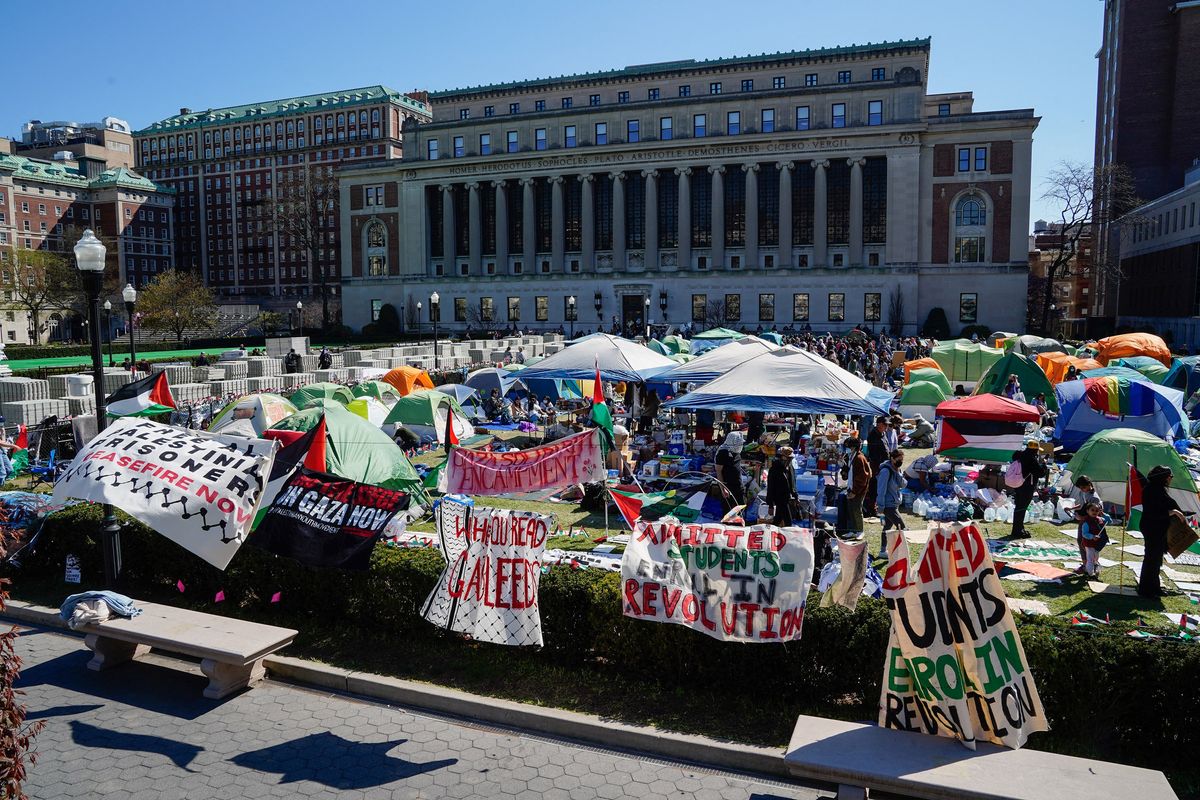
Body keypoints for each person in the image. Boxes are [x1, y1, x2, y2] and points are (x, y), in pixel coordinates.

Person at [1139, 465, 1186, 598]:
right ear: (1164, 477)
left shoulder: (1159, 489)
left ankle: (1155, 587)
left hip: (1159, 528)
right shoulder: (1150, 489)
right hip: (1152, 527)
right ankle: (1146, 590)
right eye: (1170, 476)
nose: (1171, 479)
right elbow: (1153, 511)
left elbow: (1167, 504)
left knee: (1156, 559)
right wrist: (1171, 512)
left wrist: (1180, 513)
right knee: (1151, 559)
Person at [1009, 439, 1048, 538]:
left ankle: (1018, 529)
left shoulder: (1019, 455)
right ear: (1035, 450)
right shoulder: (1031, 459)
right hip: (1027, 487)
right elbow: (1040, 473)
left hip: (1018, 484)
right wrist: (1044, 464)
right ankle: (1017, 531)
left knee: (1019, 507)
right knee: (1021, 508)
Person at [877, 449, 906, 558]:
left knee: (887, 527)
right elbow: (881, 489)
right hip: (888, 505)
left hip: (894, 503)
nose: (900, 461)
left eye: (902, 460)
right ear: (892, 459)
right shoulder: (885, 471)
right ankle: (901, 552)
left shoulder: (897, 470)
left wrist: (898, 472)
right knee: (902, 527)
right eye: (898, 460)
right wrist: (880, 506)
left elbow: (903, 485)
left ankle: (883, 551)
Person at [844, 436, 872, 535]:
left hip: (858, 490)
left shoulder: (859, 458)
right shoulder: (852, 456)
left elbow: (862, 478)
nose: (846, 449)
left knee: (856, 510)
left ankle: (859, 531)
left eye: (848, 446)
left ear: (853, 447)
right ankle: (853, 530)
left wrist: (854, 492)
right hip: (851, 487)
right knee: (851, 510)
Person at [766, 445, 797, 527]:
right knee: (788, 522)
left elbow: (792, 483)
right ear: (781, 457)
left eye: (791, 458)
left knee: (778, 519)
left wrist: (795, 496)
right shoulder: (774, 470)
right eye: (787, 458)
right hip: (779, 499)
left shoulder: (790, 467)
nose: (789, 460)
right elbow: (770, 488)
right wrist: (770, 505)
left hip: (787, 498)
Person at [1076, 501, 1109, 578]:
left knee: (1095, 557)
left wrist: (1104, 514)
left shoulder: (1100, 519)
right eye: (1092, 510)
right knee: (1090, 558)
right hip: (1089, 543)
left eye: (1097, 510)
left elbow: (1109, 520)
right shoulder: (1086, 522)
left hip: (1096, 544)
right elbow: (1084, 534)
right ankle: (1090, 573)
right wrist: (1092, 536)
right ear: (1087, 511)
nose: (1094, 512)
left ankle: (1092, 569)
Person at [715, 431, 746, 507]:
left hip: (738, 486)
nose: (740, 446)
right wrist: (723, 488)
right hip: (728, 487)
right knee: (729, 512)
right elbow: (718, 471)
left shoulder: (736, 451)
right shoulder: (722, 453)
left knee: (740, 508)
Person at [865, 418, 888, 517]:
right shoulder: (873, 435)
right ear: (879, 424)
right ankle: (872, 508)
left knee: (881, 486)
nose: (886, 427)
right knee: (874, 487)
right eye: (885, 424)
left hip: (883, 463)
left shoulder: (883, 434)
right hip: (876, 465)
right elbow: (875, 453)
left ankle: (877, 506)